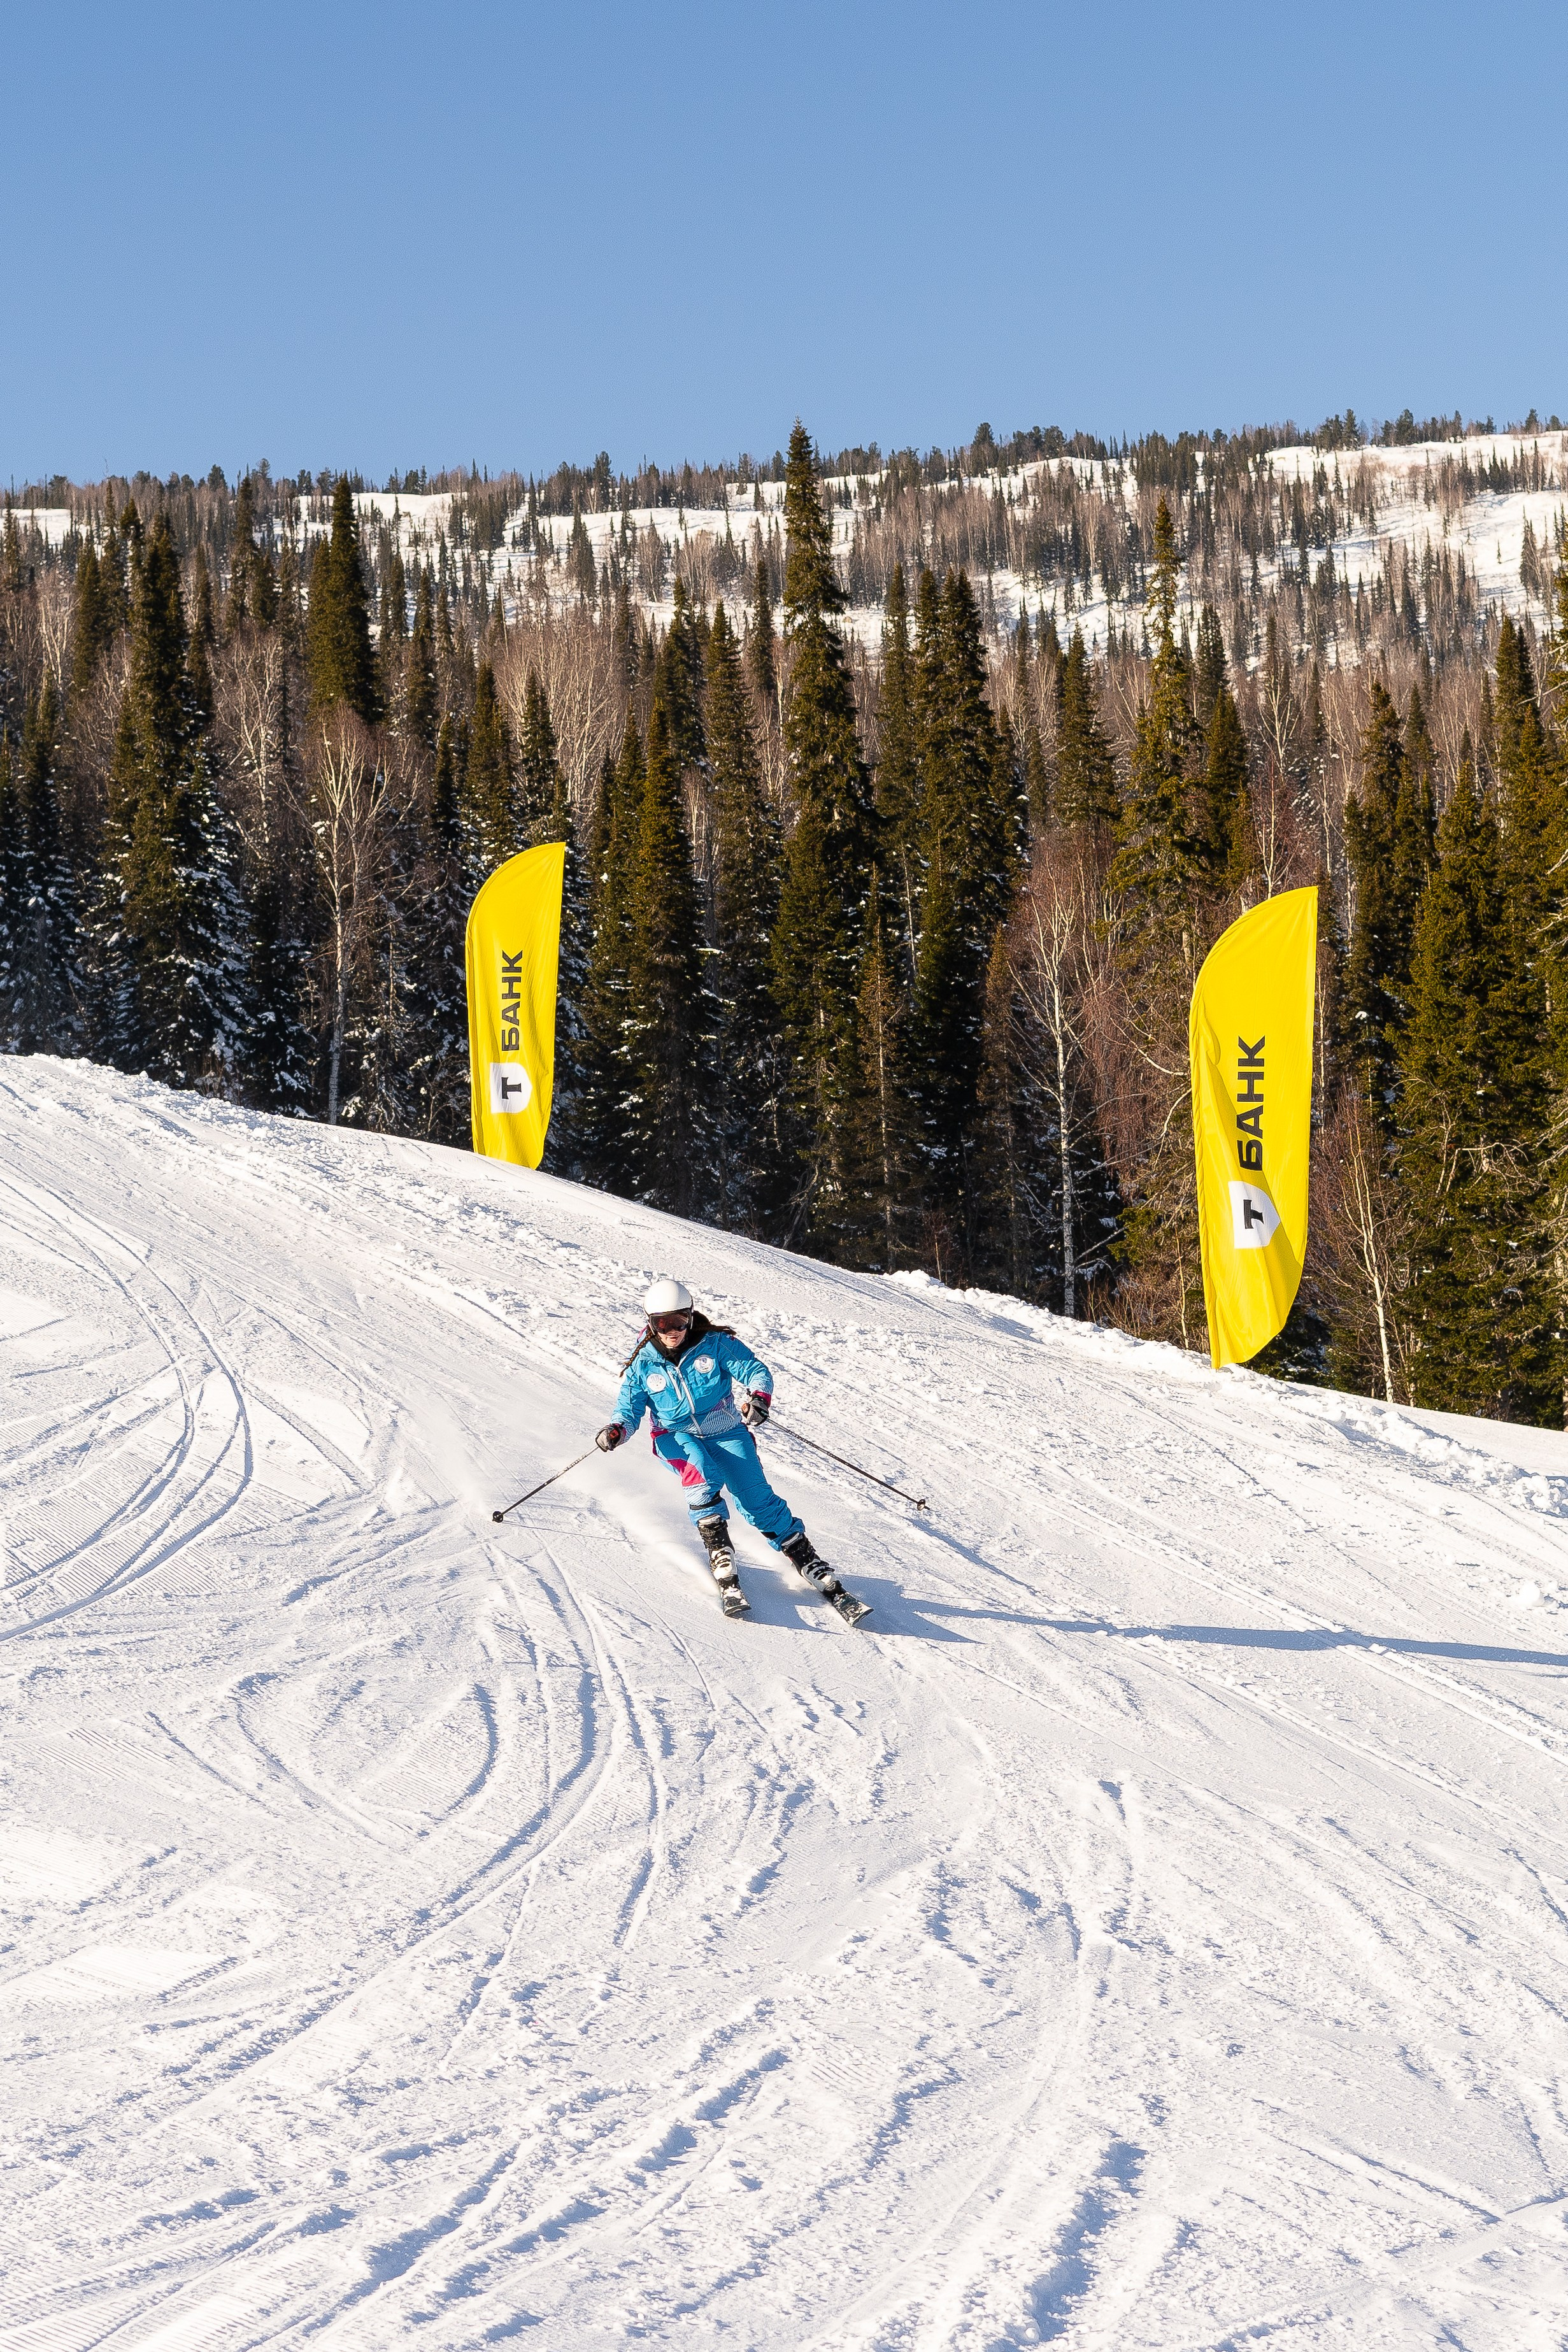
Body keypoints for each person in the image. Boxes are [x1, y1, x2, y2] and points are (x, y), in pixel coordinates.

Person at [595, 1278, 842, 1616]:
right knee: (701, 1473)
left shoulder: (715, 1345)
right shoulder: (643, 1362)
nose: (672, 1330)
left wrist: (758, 1398)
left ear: (691, 1316)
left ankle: (808, 1561)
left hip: (725, 1430)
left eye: (680, 1321)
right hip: (674, 1434)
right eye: (663, 1323)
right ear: (650, 1322)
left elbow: (754, 1370)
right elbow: (629, 1407)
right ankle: (721, 1555)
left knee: (756, 1497)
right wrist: (618, 1429)